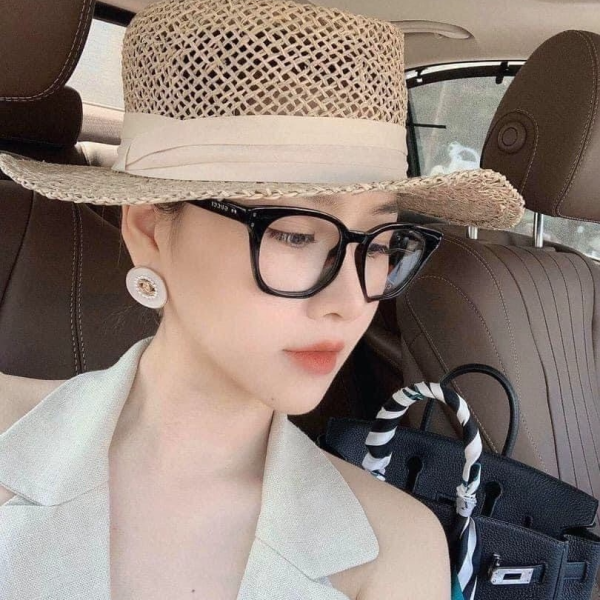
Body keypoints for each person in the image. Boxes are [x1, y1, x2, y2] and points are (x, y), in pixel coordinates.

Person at [0, 0, 525, 598]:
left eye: (380, 242)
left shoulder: (398, 547)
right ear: (149, 231)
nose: (351, 300)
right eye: (295, 234)